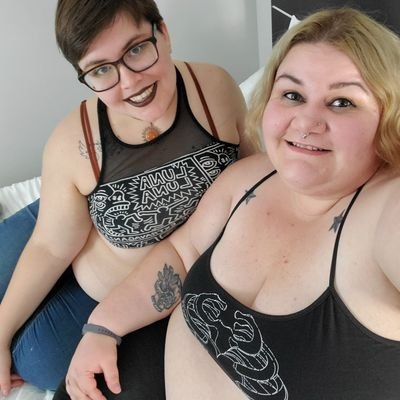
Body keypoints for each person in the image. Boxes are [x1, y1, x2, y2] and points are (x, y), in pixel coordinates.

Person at [55, 6, 400, 400]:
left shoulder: (386, 210)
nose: (306, 122)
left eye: (342, 102)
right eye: (292, 94)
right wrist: (103, 326)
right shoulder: (249, 176)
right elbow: (182, 253)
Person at [0, 0, 253, 397]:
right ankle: (59, 201)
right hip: (67, 234)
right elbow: (51, 247)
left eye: (136, 49)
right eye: (102, 69)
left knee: (36, 359)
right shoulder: (73, 142)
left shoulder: (215, 90)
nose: (131, 82)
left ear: (163, 32)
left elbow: (257, 177)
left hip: (113, 293)